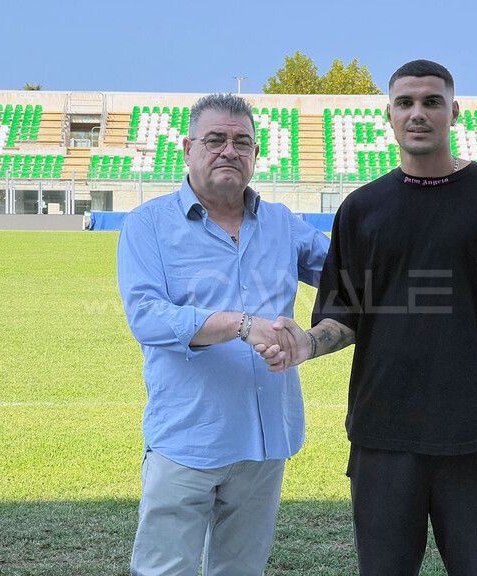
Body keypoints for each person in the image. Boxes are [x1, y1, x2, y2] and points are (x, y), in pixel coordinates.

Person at [258, 60, 477, 575]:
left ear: (454, 112)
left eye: (431, 102)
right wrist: (305, 344)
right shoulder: (362, 208)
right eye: (405, 102)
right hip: (383, 435)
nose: (417, 113)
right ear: (389, 115)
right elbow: (345, 314)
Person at [117, 93, 329, 576]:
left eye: (242, 142)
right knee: (164, 570)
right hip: (187, 438)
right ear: (187, 148)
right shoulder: (148, 225)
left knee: (241, 570)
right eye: (215, 139)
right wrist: (241, 324)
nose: (229, 150)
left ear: (256, 153)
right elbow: (146, 316)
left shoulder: (282, 223)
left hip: (266, 440)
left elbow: (353, 276)